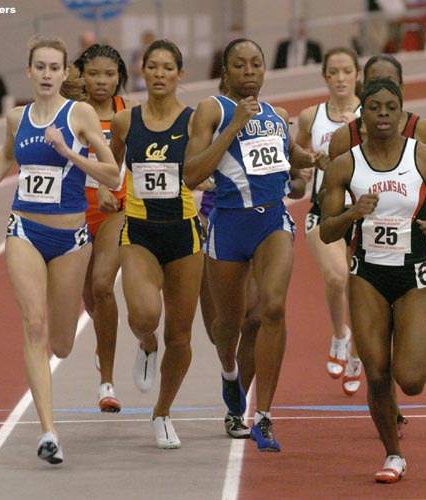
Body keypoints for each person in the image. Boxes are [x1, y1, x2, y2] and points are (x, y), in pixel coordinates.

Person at [0, 35, 120, 464]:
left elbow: (112, 173)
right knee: (33, 326)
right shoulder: (17, 118)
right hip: (25, 230)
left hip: (71, 240)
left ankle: (70, 354)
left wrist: (68, 150)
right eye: (41, 67)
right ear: (30, 72)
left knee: (63, 342)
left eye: (56, 68)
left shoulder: (81, 114)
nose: (48, 74)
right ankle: (49, 432)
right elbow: (5, 155)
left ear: (66, 72)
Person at [320, 77, 426, 483]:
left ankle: (411, 333)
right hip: (366, 274)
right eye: (374, 108)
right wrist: (353, 213)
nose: (383, 114)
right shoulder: (345, 164)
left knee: (412, 380)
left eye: (390, 107)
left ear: (402, 115)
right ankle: (393, 454)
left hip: (413, 273)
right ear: (362, 115)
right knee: (378, 372)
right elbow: (327, 231)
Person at [184, 38, 327, 452]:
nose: (250, 71)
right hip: (227, 226)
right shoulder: (211, 110)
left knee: (272, 309)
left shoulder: (277, 116)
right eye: (240, 65)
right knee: (226, 327)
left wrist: (314, 159)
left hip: (272, 222)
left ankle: (262, 414)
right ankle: (230, 376)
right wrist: (233, 125)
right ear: (225, 72)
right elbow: (191, 175)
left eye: (257, 64)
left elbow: (291, 155)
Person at [109, 39, 203, 449]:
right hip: (140, 232)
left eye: (169, 67)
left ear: (180, 74)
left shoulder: (195, 120)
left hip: (184, 232)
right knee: (146, 316)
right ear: (142, 71)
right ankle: (145, 344)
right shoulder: (126, 122)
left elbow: (203, 164)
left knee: (180, 338)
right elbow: (111, 161)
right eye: (153, 67)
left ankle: (162, 412)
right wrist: (104, 184)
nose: (160, 74)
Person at [63, 44, 138, 413]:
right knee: (91, 301)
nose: (102, 81)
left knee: (103, 285)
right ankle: (102, 338)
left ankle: (106, 383)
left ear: (119, 75)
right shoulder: (71, 111)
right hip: (76, 210)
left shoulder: (127, 113)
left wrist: (112, 185)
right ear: (82, 75)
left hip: (115, 210)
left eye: (109, 74)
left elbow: (139, 157)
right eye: (94, 74)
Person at [294, 47, 363, 396]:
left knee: (365, 290)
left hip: (366, 212)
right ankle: (340, 335)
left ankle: (355, 354)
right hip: (326, 210)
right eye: (333, 72)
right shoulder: (311, 117)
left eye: (346, 72)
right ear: (324, 76)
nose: (340, 79)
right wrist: (307, 164)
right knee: (337, 277)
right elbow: (297, 160)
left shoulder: (371, 116)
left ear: (357, 75)